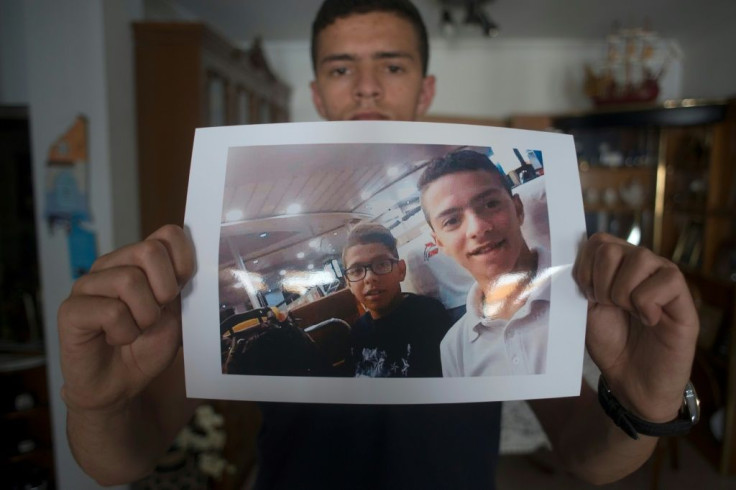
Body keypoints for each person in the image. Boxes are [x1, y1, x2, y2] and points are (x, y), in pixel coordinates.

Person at [58, 0, 699, 488]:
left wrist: (645, 404)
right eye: (342, 68)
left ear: (425, 89)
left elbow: (586, 454)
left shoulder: (482, 319)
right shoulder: (360, 324)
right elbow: (125, 458)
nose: (367, 87)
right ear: (316, 93)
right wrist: (95, 402)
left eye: (391, 65)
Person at [418, 149, 550, 376]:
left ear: (517, 209)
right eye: (452, 220)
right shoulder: (454, 348)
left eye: (490, 204)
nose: (478, 228)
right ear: (440, 243)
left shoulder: (586, 283)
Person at [343, 222, 450, 377]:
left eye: (381, 264)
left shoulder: (428, 316)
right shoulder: (356, 334)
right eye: (357, 270)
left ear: (401, 270)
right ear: (348, 283)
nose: (370, 277)